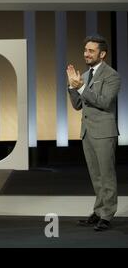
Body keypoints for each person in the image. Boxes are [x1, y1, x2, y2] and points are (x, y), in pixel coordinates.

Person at [67, 34, 120, 232]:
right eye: (85, 50)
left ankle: (107, 215)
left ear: (102, 54)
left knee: (107, 176)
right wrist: (72, 87)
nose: (86, 54)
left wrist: (81, 87)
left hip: (104, 133)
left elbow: (104, 102)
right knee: (96, 175)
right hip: (87, 132)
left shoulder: (111, 75)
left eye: (91, 51)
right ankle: (98, 211)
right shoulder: (87, 74)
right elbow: (78, 105)